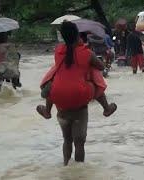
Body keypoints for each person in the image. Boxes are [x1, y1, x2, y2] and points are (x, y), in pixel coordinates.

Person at [36, 22, 117, 165]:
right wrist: (85, 50)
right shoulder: (86, 53)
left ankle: (66, 165)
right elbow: (101, 67)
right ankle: (106, 108)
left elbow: (68, 60)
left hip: (59, 100)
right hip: (79, 99)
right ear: (78, 35)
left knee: (67, 140)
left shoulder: (58, 51)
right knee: (93, 77)